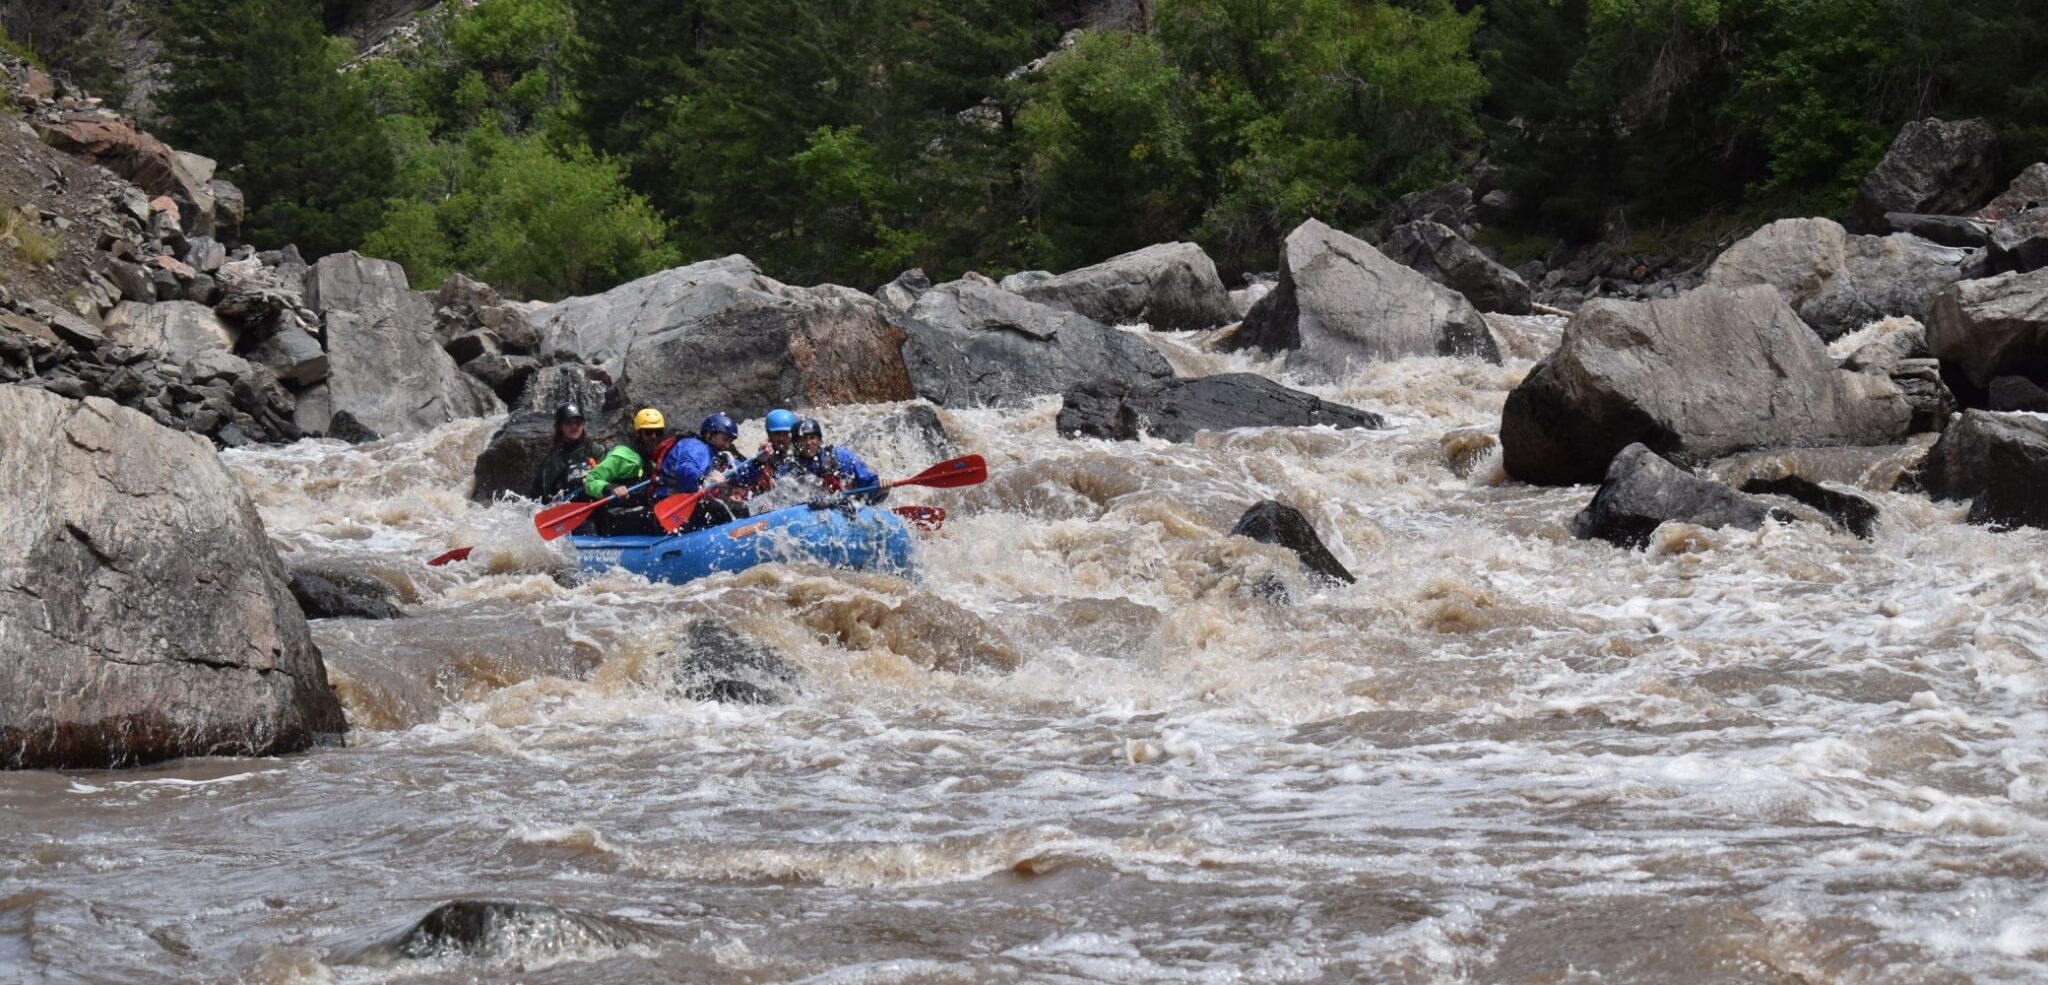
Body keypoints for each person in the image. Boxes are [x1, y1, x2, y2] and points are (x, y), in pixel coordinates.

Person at [580, 408, 672, 536]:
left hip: (640, 512)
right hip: (614, 516)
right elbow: (591, 480)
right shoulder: (621, 456)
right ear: (639, 434)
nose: (654, 437)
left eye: (658, 432)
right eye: (649, 432)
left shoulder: (654, 461)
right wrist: (612, 489)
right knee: (657, 517)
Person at [657, 412, 751, 530]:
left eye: (730, 442)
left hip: (689, 504)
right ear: (709, 435)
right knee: (723, 509)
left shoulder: (720, 456)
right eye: (725, 439)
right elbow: (684, 469)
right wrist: (705, 477)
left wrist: (759, 462)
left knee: (740, 508)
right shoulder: (695, 446)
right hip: (672, 506)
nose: (727, 445)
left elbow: (742, 473)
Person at [789, 417, 885, 503]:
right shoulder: (790, 469)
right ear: (795, 443)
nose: (808, 443)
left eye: (812, 438)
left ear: (820, 440)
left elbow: (869, 484)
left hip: (845, 509)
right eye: (803, 439)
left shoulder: (841, 457)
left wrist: (880, 489)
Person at [530, 401, 599, 503]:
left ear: (583, 424)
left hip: (595, 502)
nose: (574, 426)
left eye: (577, 422)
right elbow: (542, 497)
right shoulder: (552, 460)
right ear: (560, 426)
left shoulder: (594, 449)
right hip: (568, 506)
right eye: (568, 422)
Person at [732, 408, 798, 494]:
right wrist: (758, 462)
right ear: (769, 433)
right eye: (777, 433)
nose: (781, 438)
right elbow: (741, 480)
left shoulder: (801, 451)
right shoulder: (762, 455)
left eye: (785, 433)